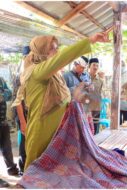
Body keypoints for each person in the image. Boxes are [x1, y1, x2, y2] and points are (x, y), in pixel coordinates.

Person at [20, 33, 109, 170]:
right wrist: (89, 41)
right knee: (35, 170)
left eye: (57, 48)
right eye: (53, 49)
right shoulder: (36, 72)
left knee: (54, 173)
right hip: (42, 130)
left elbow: (65, 98)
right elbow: (62, 58)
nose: (57, 52)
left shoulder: (55, 75)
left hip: (59, 132)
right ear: (42, 52)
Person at [11, 46, 30, 174]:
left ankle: (28, 167)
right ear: (24, 58)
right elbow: (18, 102)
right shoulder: (20, 76)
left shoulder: (32, 72)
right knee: (24, 141)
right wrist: (23, 122)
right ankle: (23, 167)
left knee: (30, 141)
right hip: (22, 113)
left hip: (30, 114)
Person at [0, 77, 19, 176]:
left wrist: (2, 95)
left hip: (3, 121)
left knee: (7, 147)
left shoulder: (1, 80)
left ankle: (12, 169)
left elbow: (9, 94)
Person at [88, 58, 104, 135]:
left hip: (96, 107)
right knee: (86, 127)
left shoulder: (101, 81)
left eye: (97, 65)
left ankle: (95, 144)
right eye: (94, 65)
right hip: (86, 107)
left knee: (95, 127)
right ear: (89, 66)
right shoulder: (84, 78)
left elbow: (101, 93)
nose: (95, 67)